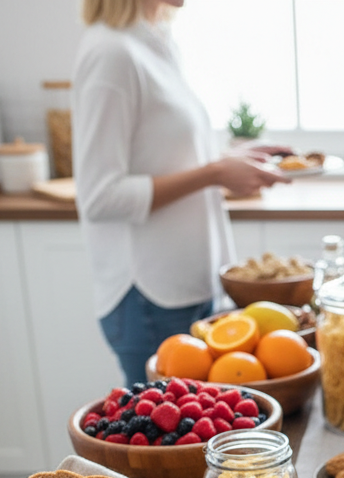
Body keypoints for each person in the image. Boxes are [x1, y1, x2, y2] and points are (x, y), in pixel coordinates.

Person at [73, 0, 291, 387]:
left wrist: (227, 160)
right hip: (148, 297)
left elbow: (161, 158)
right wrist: (214, 173)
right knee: (171, 440)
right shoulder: (112, 55)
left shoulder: (154, 42)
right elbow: (99, 197)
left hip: (186, 285)